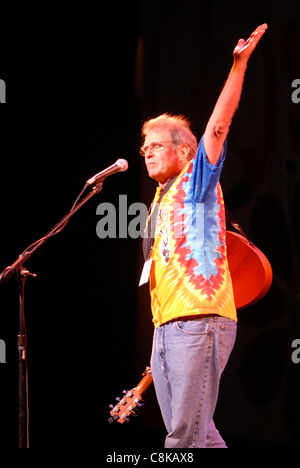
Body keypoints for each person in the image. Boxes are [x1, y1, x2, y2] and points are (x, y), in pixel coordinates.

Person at [139, 24, 268, 448]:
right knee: (202, 436)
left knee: (182, 441)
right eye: (145, 148)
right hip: (167, 327)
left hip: (199, 321)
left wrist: (238, 67)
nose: (147, 152)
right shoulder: (160, 201)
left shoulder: (197, 182)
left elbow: (217, 126)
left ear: (184, 151)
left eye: (156, 145)